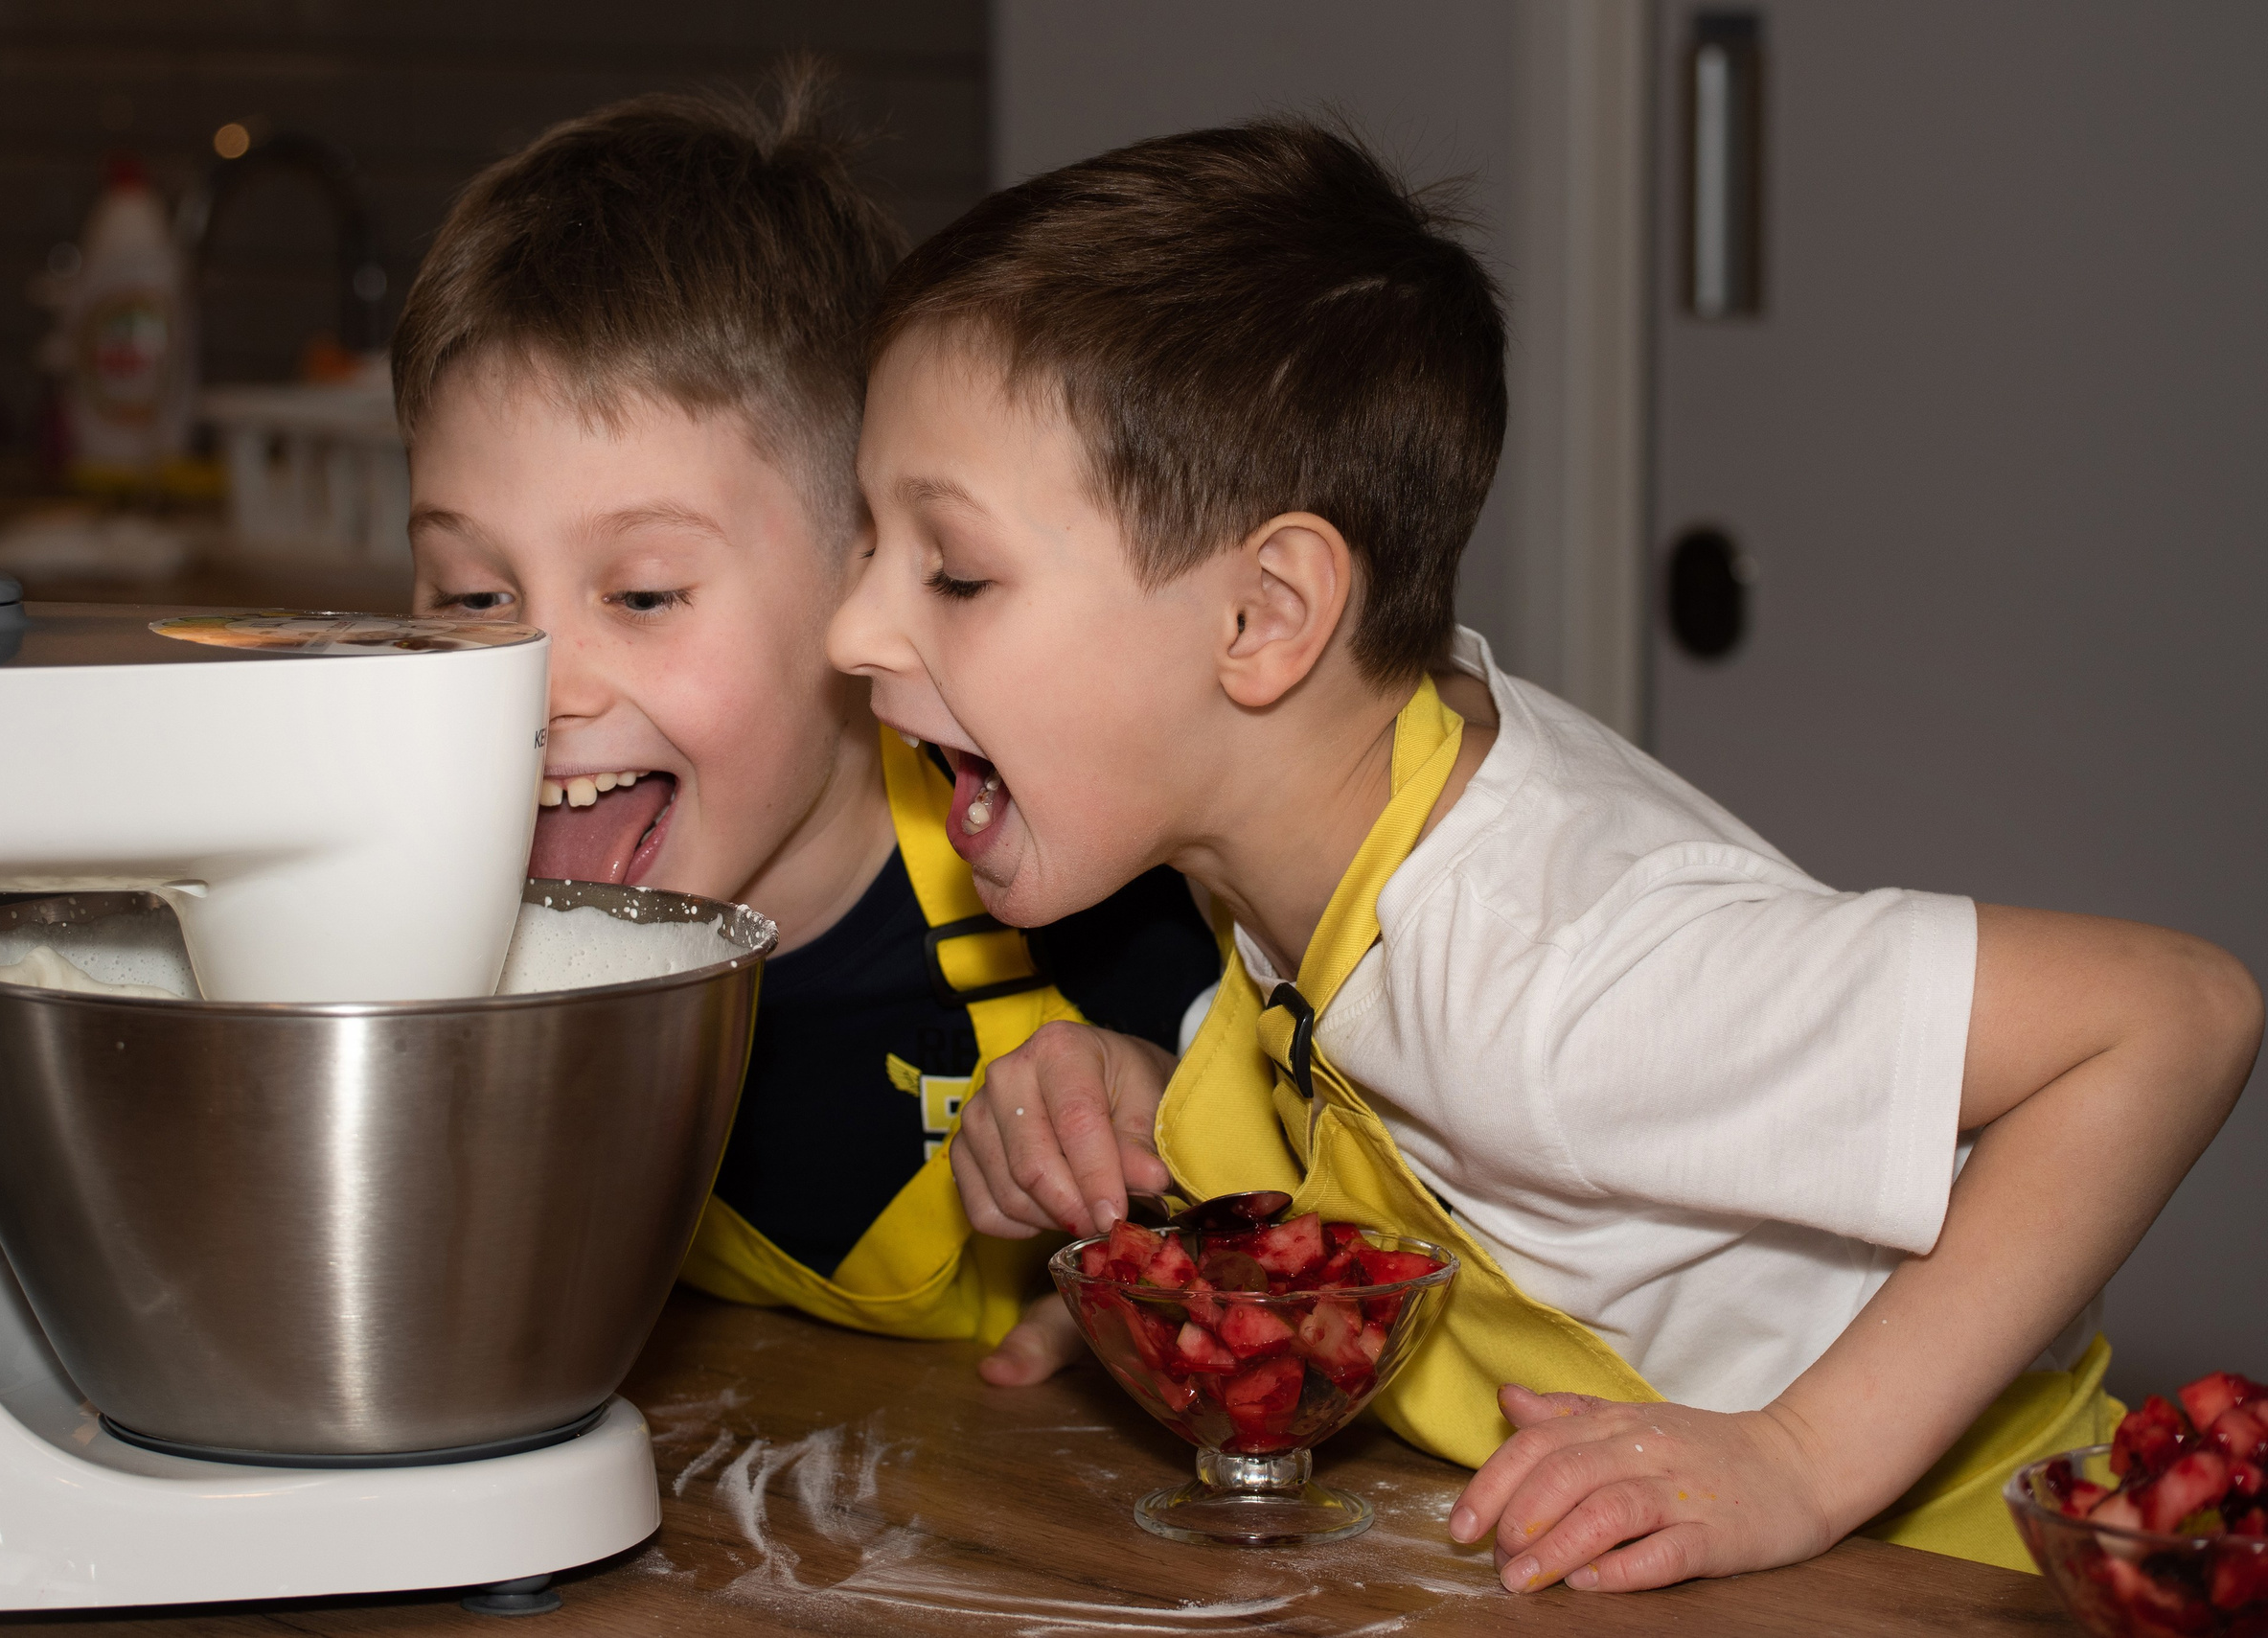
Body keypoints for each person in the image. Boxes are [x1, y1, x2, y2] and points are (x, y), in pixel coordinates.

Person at [825, 119, 2261, 1587]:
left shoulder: (1564, 979)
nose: (852, 630)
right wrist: (1157, 1133)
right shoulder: (1306, 806)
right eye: (864, 541)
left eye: (955, 571)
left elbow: (2175, 1014)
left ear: (1264, 618)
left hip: (1931, 1579)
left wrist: (1800, 1455)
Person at [389, 71, 1220, 1360]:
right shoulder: (412, 916)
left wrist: (1170, 1181)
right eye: (472, 594)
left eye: (645, 593)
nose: (537, 686)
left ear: (862, 579)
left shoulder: (1074, 878)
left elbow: (1360, 1204)